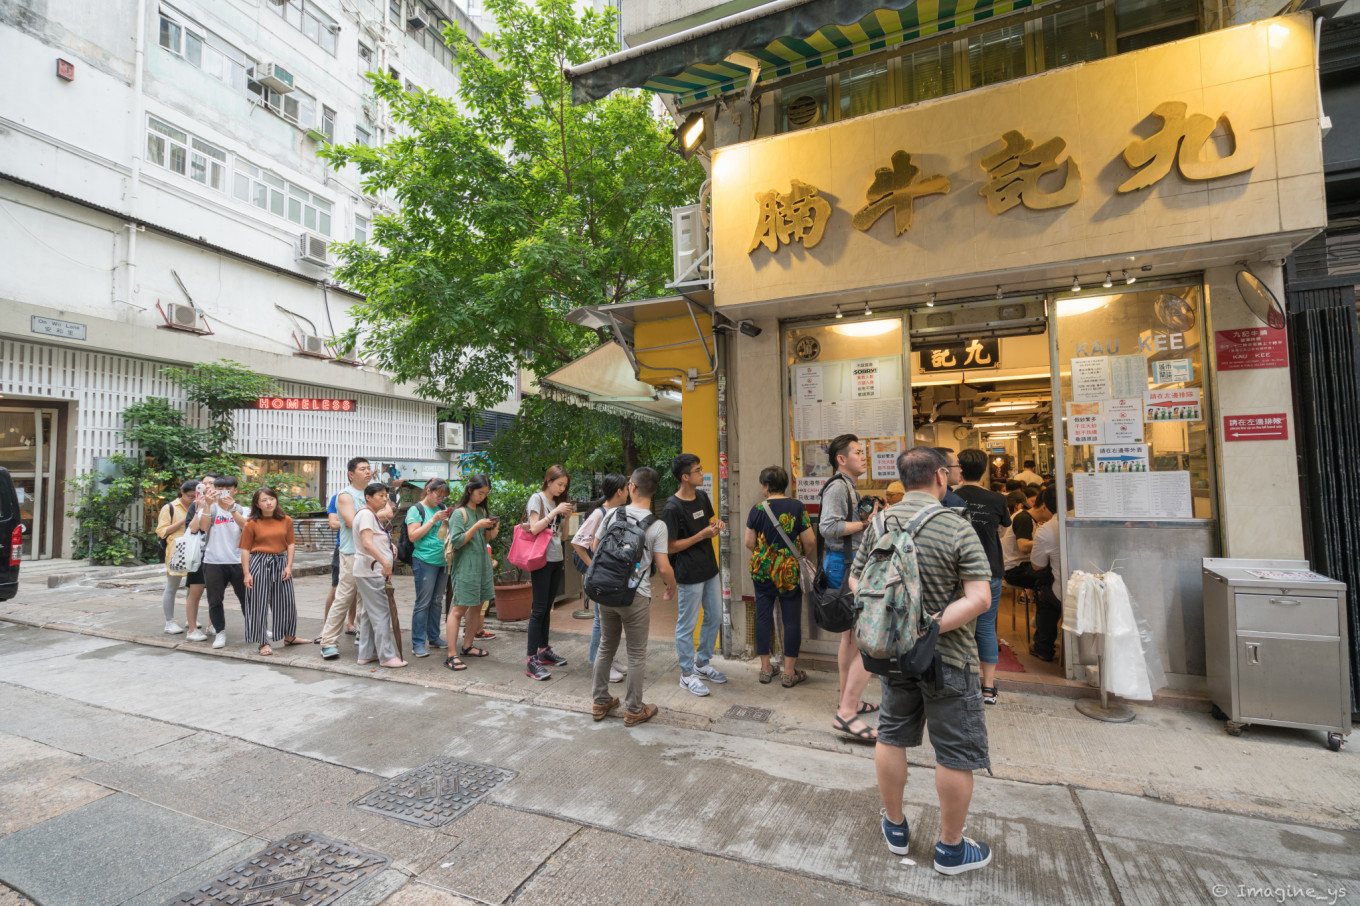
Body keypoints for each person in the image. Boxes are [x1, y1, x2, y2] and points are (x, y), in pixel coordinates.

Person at [851, 446, 993, 876]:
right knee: (954, 753)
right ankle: (950, 850)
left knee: (891, 734)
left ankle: (895, 828)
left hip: (894, 655)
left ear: (903, 479)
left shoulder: (880, 522)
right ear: (941, 477)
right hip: (950, 656)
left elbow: (856, 581)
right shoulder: (956, 526)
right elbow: (980, 598)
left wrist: (898, 626)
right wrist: (926, 626)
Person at [590, 467, 675, 727]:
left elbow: (595, 547)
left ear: (633, 487)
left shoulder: (613, 513)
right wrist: (671, 586)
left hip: (605, 592)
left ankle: (600, 701)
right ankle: (634, 710)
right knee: (636, 653)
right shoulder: (657, 526)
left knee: (606, 645)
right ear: (654, 491)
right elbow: (663, 567)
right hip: (635, 595)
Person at [820, 433, 880, 741]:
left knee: (851, 636)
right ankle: (847, 708)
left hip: (847, 562)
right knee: (859, 635)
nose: (863, 456)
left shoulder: (848, 486)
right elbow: (828, 527)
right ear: (841, 459)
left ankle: (849, 701)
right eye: (857, 452)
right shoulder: (838, 486)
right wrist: (867, 523)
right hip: (842, 565)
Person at [744, 465, 815, 688]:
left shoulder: (757, 509)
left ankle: (766, 668)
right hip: (788, 572)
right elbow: (810, 541)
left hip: (763, 572)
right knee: (791, 621)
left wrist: (766, 556)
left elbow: (749, 542)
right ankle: (789, 673)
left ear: (766, 486)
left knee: (763, 618)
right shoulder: (797, 507)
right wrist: (796, 557)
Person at [663, 454, 728, 697]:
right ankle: (687, 674)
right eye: (698, 470)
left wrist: (716, 525)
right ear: (685, 477)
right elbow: (670, 546)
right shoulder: (672, 508)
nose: (702, 473)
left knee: (715, 615)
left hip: (709, 568)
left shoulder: (701, 496)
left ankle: (702, 663)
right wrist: (701, 535)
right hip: (689, 572)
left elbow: (708, 522)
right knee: (687, 624)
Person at [952, 449, 1011, 705]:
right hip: (990, 569)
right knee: (986, 626)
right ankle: (987, 688)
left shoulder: (950, 498)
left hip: (958, 571)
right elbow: (1002, 530)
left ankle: (961, 684)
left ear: (959, 470)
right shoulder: (997, 499)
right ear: (985, 470)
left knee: (957, 626)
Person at [572, 474, 629, 684]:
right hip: (600, 575)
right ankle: (600, 662)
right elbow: (577, 543)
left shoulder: (616, 511)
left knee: (609, 619)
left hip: (608, 574)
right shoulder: (600, 513)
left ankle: (609, 658)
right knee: (601, 620)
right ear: (619, 491)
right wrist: (593, 568)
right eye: (626, 488)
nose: (629, 492)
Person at [444, 474, 500, 670]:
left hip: (481, 564)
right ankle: (451, 655)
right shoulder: (459, 513)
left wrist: (491, 527)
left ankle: (467, 646)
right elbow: (457, 541)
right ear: (469, 490)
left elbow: (486, 539)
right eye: (480, 493)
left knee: (477, 605)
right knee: (459, 609)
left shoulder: (482, 510)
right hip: (465, 566)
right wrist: (477, 525)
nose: (482, 497)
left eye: (485, 494)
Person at [239, 487, 303, 656]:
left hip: (281, 562)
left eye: (271, 499)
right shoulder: (251, 523)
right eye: (264, 500)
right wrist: (246, 573)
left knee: (287, 601)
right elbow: (245, 549)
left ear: (276, 500)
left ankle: (289, 637)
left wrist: (289, 565)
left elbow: (291, 543)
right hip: (259, 562)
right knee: (258, 604)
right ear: (257, 504)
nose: (268, 503)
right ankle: (262, 642)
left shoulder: (286, 520)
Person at [319, 458, 372, 660]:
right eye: (362, 469)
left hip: (371, 551)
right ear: (351, 474)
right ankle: (328, 641)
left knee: (366, 598)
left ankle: (362, 634)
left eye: (369, 468)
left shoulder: (371, 493)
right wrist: (374, 514)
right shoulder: (345, 495)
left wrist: (369, 516)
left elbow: (388, 512)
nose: (368, 472)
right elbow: (351, 522)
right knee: (344, 597)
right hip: (351, 552)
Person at [524, 465, 574, 680]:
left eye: (564, 486)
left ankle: (543, 650)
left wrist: (567, 517)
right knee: (538, 610)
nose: (561, 489)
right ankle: (531, 660)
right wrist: (554, 512)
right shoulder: (538, 499)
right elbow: (534, 528)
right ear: (549, 481)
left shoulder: (556, 503)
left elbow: (562, 537)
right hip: (541, 560)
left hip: (556, 558)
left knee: (547, 608)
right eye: (559, 484)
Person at [353, 481, 406, 668]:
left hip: (369, 570)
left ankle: (367, 653)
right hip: (372, 571)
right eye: (380, 496)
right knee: (381, 612)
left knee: (369, 613)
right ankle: (386, 656)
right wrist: (385, 562)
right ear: (368, 497)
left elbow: (373, 539)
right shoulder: (366, 515)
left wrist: (388, 546)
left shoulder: (370, 515)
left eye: (386, 496)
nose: (385, 499)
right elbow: (367, 543)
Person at [194, 475, 249, 650]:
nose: (223, 493)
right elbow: (203, 527)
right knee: (215, 600)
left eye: (227, 490)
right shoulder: (210, 508)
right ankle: (220, 632)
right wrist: (207, 504)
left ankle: (256, 628)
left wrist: (232, 509)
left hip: (238, 561)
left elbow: (246, 527)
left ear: (235, 491)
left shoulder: (243, 510)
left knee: (247, 598)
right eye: (220, 489)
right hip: (213, 561)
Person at [405, 478, 452, 658]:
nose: (440, 499)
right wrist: (433, 520)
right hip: (424, 560)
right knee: (423, 603)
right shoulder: (416, 509)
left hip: (443, 561)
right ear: (428, 491)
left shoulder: (442, 508)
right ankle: (418, 643)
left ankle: (434, 637)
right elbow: (413, 536)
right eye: (438, 495)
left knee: (437, 601)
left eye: (443, 497)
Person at [155, 479, 198, 635]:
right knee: (172, 586)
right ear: (182, 492)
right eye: (190, 496)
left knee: (193, 587)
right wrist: (184, 520)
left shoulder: (200, 506)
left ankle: (190, 619)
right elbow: (162, 531)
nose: (192, 499)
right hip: (176, 551)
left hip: (195, 550)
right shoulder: (170, 507)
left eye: (195, 496)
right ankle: (169, 622)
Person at [1029, 485, 1063, 663]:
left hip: (1063, 592)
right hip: (1092, 586)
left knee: (1045, 591)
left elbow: (1037, 565)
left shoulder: (1047, 529)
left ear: (1045, 506)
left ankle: (1044, 647)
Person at [182, 474, 216, 642]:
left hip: (217, 555)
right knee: (195, 592)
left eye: (211, 483)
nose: (207, 486)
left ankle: (212, 624)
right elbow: (193, 529)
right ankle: (192, 629)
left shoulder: (223, 504)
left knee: (215, 593)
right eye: (205, 483)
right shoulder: (196, 505)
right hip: (199, 555)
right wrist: (200, 508)